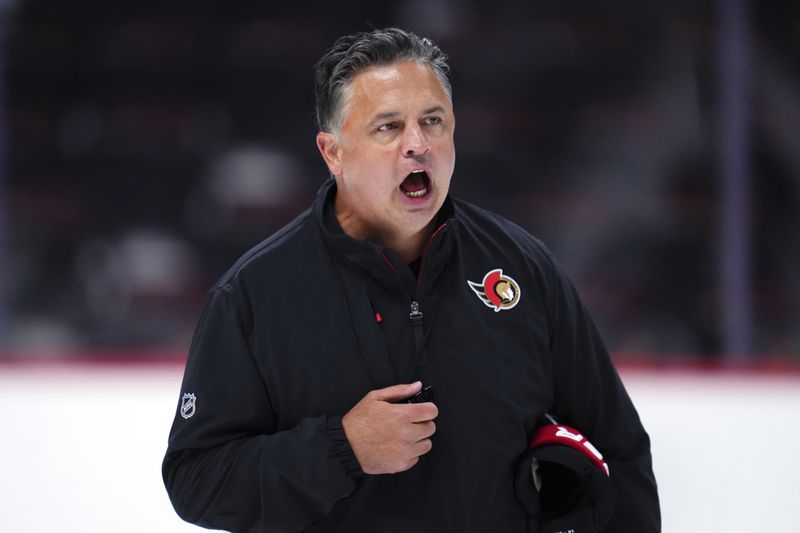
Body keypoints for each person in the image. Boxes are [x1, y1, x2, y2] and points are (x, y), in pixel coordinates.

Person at [163, 27, 660, 532]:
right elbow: (197, 479)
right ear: (333, 152)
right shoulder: (254, 295)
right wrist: (342, 448)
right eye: (388, 127)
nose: (417, 144)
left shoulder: (524, 268)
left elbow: (620, 451)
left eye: (433, 122)